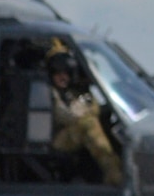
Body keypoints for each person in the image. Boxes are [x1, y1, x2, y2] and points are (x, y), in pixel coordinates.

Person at [47, 49, 124, 187]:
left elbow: (91, 109)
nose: (63, 77)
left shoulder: (71, 93)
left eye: (66, 73)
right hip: (54, 139)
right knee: (87, 124)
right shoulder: (50, 93)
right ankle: (114, 175)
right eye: (58, 73)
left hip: (66, 135)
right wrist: (87, 113)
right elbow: (64, 116)